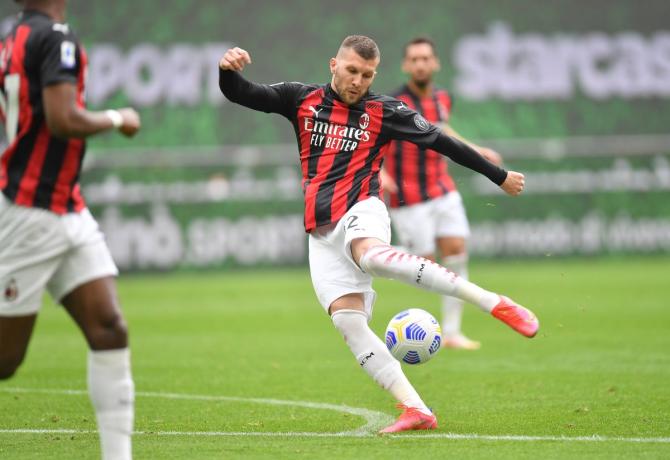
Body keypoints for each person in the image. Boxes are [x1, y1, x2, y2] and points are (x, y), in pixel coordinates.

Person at [218, 35, 539, 434]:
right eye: (352, 71)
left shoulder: (384, 110)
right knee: (348, 323)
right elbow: (243, 93)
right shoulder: (300, 99)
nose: (358, 81)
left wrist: (500, 176)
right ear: (333, 65)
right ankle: (416, 409)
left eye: (367, 75)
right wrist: (227, 70)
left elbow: (444, 143)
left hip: (362, 209)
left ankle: (494, 303)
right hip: (320, 232)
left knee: (371, 255)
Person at [0, 1, 139, 458]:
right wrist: (119, 118)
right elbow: (63, 120)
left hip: (66, 208)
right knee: (5, 361)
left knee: (109, 328)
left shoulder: (11, 37)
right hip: (30, 212)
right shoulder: (56, 38)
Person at [382, 37, 503, 350]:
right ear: (406, 66)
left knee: (456, 253)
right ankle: (372, 253)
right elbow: (376, 137)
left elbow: (444, 131)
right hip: (409, 194)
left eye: (425, 58)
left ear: (435, 63)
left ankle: (451, 332)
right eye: (414, 59)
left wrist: (477, 151)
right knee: (423, 264)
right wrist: (381, 172)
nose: (420, 64)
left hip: (442, 187)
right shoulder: (393, 101)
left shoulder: (442, 98)